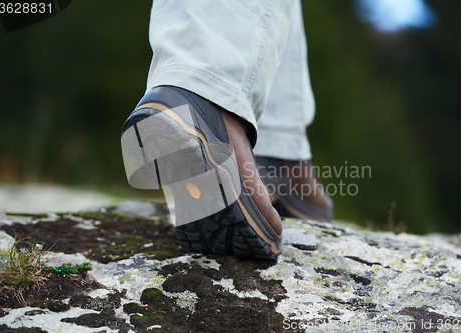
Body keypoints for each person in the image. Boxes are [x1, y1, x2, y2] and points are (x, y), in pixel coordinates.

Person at [121, 0, 332, 260]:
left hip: (275, 145)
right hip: (212, 98)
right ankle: (210, 91)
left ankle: (276, 149)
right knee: (209, 83)